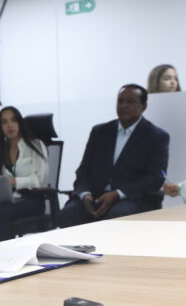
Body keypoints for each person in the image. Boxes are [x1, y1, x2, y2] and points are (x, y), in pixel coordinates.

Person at [58, 84, 170, 227]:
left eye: (131, 102)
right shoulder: (100, 132)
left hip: (133, 197)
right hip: (96, 196)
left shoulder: (156, 136)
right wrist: (84, 193)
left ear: (143, 106)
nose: (124, 105)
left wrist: (117, 194)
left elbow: (155, 178)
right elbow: (84, 169)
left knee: (116, 217)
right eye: (120, 101)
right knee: (68, 215)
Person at [0, 106, 48, 245]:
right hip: (7, 200)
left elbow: (40, 180)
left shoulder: (35, 145)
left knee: (2, 212)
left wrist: (14, 181)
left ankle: (5, 254)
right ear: (0, 127)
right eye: (4, 122)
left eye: (13, 120)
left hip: (32, 199)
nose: (9, 125)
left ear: (20, 123)